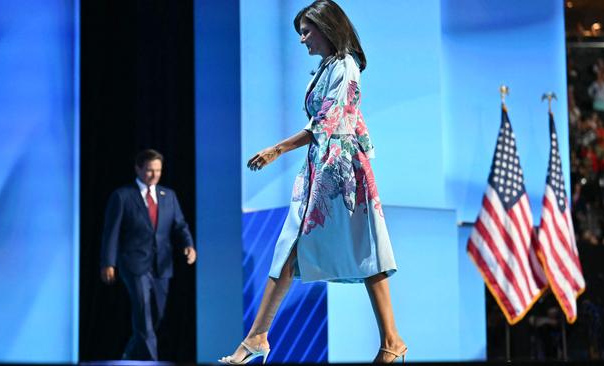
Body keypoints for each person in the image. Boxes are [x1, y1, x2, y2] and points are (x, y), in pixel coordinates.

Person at [219, 1, 406, 364]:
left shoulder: (347, 66)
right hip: (321, 167)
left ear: (327, 27)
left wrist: (278, 148)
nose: (303, 39)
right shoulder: (326, 67)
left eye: (307, 31)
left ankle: (392, 340)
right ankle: (257, 335)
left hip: (342, 172)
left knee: (366, 248)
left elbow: (329, 122)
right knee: (290, 246)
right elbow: (324, 123)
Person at [100, 149, 197, 360]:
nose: (154, 175)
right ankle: (152, 362)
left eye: (158, 171)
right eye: (149, 170)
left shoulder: (168, 195)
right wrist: (108, 262)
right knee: (143, 316)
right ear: (138, 169)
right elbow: (111, 232)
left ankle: (128, 356)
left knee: (155, 316)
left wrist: (188, 245)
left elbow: (180, 225)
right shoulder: (122, 196)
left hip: (162, 265)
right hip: (133, 264)